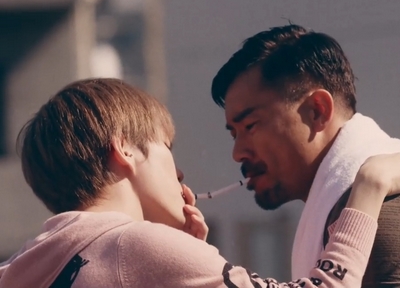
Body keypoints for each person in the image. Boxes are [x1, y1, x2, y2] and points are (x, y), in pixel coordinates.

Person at [0, 78, 397, 288]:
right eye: (165, 146)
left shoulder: (27, 267)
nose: (180, 174)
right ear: (125, 150)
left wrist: (192, 258)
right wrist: (368, 186)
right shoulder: (134, 248)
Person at [211, 24, 400, 287]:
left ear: (317, 111)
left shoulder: (379, 213)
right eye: (234, 134)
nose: (237, 153)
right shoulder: (362, 196)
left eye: (250, 126)